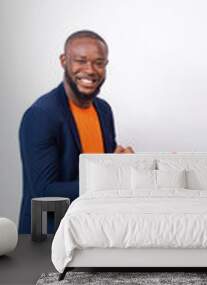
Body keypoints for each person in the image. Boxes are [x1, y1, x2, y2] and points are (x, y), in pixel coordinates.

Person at [18, 30, 133, 233]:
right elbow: (44, 192)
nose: (90, 70)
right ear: (64, 61)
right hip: (49, 235)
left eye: (99, 62)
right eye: (81, 61)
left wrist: (123, 164)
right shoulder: (41, 115)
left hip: (94, 229)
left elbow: (101, 167)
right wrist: (112, 175)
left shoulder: (103, 110)